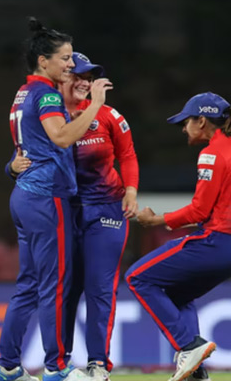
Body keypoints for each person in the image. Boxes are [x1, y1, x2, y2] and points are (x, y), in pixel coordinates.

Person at [0, 18, 112, 381]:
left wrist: (11, 167)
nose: (71, 64)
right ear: (43, 61)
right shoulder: (47, 94)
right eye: (65, 58)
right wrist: (95, 104)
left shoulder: (23, 93)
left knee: (28, 285)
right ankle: (57, 367)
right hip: (46, 197)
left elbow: (28, 144)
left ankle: (7, 366)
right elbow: (61, 137)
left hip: (25, 195)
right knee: (55, 284)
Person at [8, 52, 138, 381]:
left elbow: (127, 154)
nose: (84, 82)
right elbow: (23, 153)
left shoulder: (108, 115)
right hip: (63, 209)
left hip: (106, 210)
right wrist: (11, 167)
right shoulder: (47, 113)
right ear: (61, 78)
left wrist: (131, 191)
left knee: (99, 288)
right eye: (77, 75)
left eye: (89, 77)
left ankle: (98, 363)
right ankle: (59, 363)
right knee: (62, 288)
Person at [125, 92, 231, 381]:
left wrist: (156, 220)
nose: (183, 129)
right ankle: (196, 372)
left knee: (137, 277)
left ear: (202, 121)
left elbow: (200, 210)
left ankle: (188, 346)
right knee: (178, 294)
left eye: (185, 122)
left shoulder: (212, 153)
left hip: (220, 241)